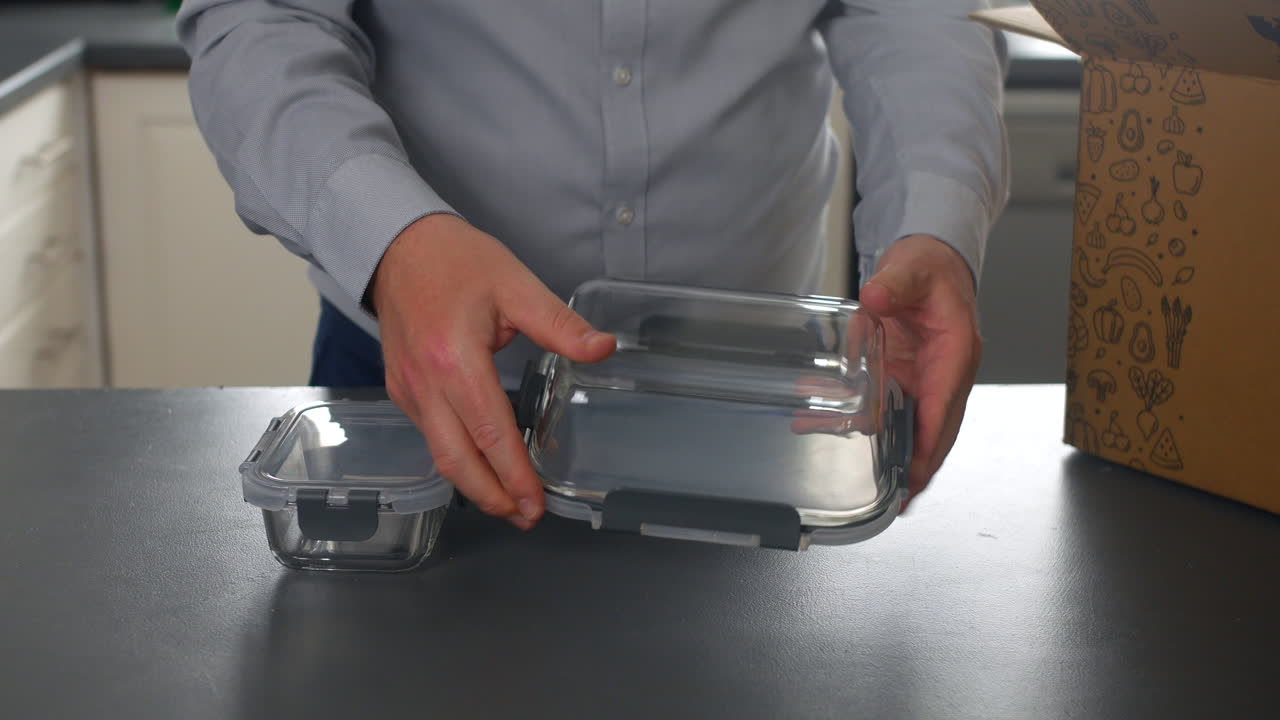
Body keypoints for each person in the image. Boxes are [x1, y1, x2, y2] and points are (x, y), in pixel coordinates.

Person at [177, 0, 1010, 530]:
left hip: (753, 391)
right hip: (421, 375)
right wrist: (392, 241)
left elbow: (916, 12)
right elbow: (263, 20)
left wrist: (930, 221)